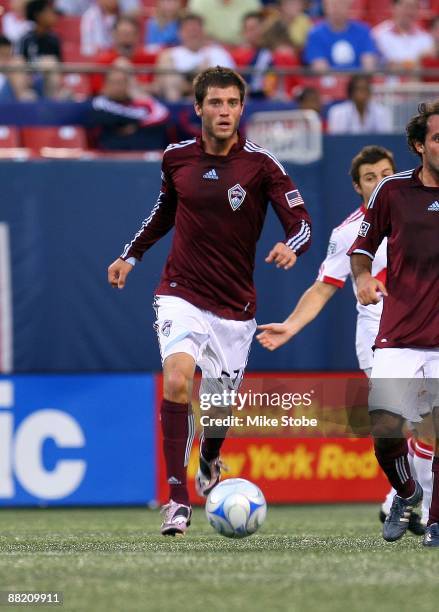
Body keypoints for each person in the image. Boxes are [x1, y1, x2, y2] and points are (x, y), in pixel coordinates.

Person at [107, 66, 312, 535]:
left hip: (235, 309)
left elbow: (301, 221)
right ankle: (177, 500)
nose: (224, 111)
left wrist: (291, 246)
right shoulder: (176, 158)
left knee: (217, 412)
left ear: (242, 108)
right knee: (177, 380)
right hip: (180, 293)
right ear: (197, 108)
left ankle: (211, 456)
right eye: (215, 103)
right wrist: (130, 256)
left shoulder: (262, 165)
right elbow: (164, 213)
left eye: (232, 103)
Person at [256, 145, 433, 530]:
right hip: (380, 338)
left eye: (385, 173)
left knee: (426, 427)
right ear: (357, 186)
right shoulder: (350, 231)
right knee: (401, 426)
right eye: (370, 177)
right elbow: (323, 288)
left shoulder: (419, 208)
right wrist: (291, 325)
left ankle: (403, 504)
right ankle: (406, 498)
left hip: (429, 333)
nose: (379, 181)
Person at [348, 101, 439, 547]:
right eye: (438, 138)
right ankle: (408, 492)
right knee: (384, 429)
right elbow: (362, 247)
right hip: (400, 332)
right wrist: (363, 277)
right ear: (420, 146)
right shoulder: (392, 191)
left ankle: (436, 524)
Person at [155, 14, 235, 102]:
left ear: (203, 31)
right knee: (168, 69)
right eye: (189, 30)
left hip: (213, 102)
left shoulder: (219, 53)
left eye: (196, 29)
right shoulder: (169, 54)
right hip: (177, 99)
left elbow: (230, 84)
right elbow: (161, 86)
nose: (193, 33)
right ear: (179, 33)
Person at [90, 67, 170, 151]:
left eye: (121, 83)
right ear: (105, 85)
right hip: (111, 149)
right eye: (113, 83)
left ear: (127, 85)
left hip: (141, 148)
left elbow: (163, 115)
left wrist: (137, 125)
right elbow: (104, 118)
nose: (117, 87)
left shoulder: (140, 103)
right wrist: (134, 122)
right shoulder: (99, 102)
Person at [303, 0, 377, 71]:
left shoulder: (363, 31)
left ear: (349, 6)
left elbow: (368, 66)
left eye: (341, 4)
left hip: (357, 82)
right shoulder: (315, 34)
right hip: (330, 82)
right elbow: (320, 69)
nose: (337, 9)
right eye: (333, 5)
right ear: (325, 6)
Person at [372, 0, 434, 70]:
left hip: (416, 80)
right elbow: (384, 65)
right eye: (406, 6)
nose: (409, 12)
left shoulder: (426, 38)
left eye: (414, 7)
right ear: (393, 7)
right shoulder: (378, 34)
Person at [327, 75, 392, 134]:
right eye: (359, 89)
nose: (363, 93)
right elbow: (337, 140)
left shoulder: (382, 112)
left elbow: (384, 138)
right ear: (351, 92)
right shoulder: (338, 112)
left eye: (366, 89)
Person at [188, 0, 262, 46]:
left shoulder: (251, 2)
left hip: (245, 51)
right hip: (209, 50)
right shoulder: (198, 2)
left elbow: (258, 31)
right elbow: (192, 32)